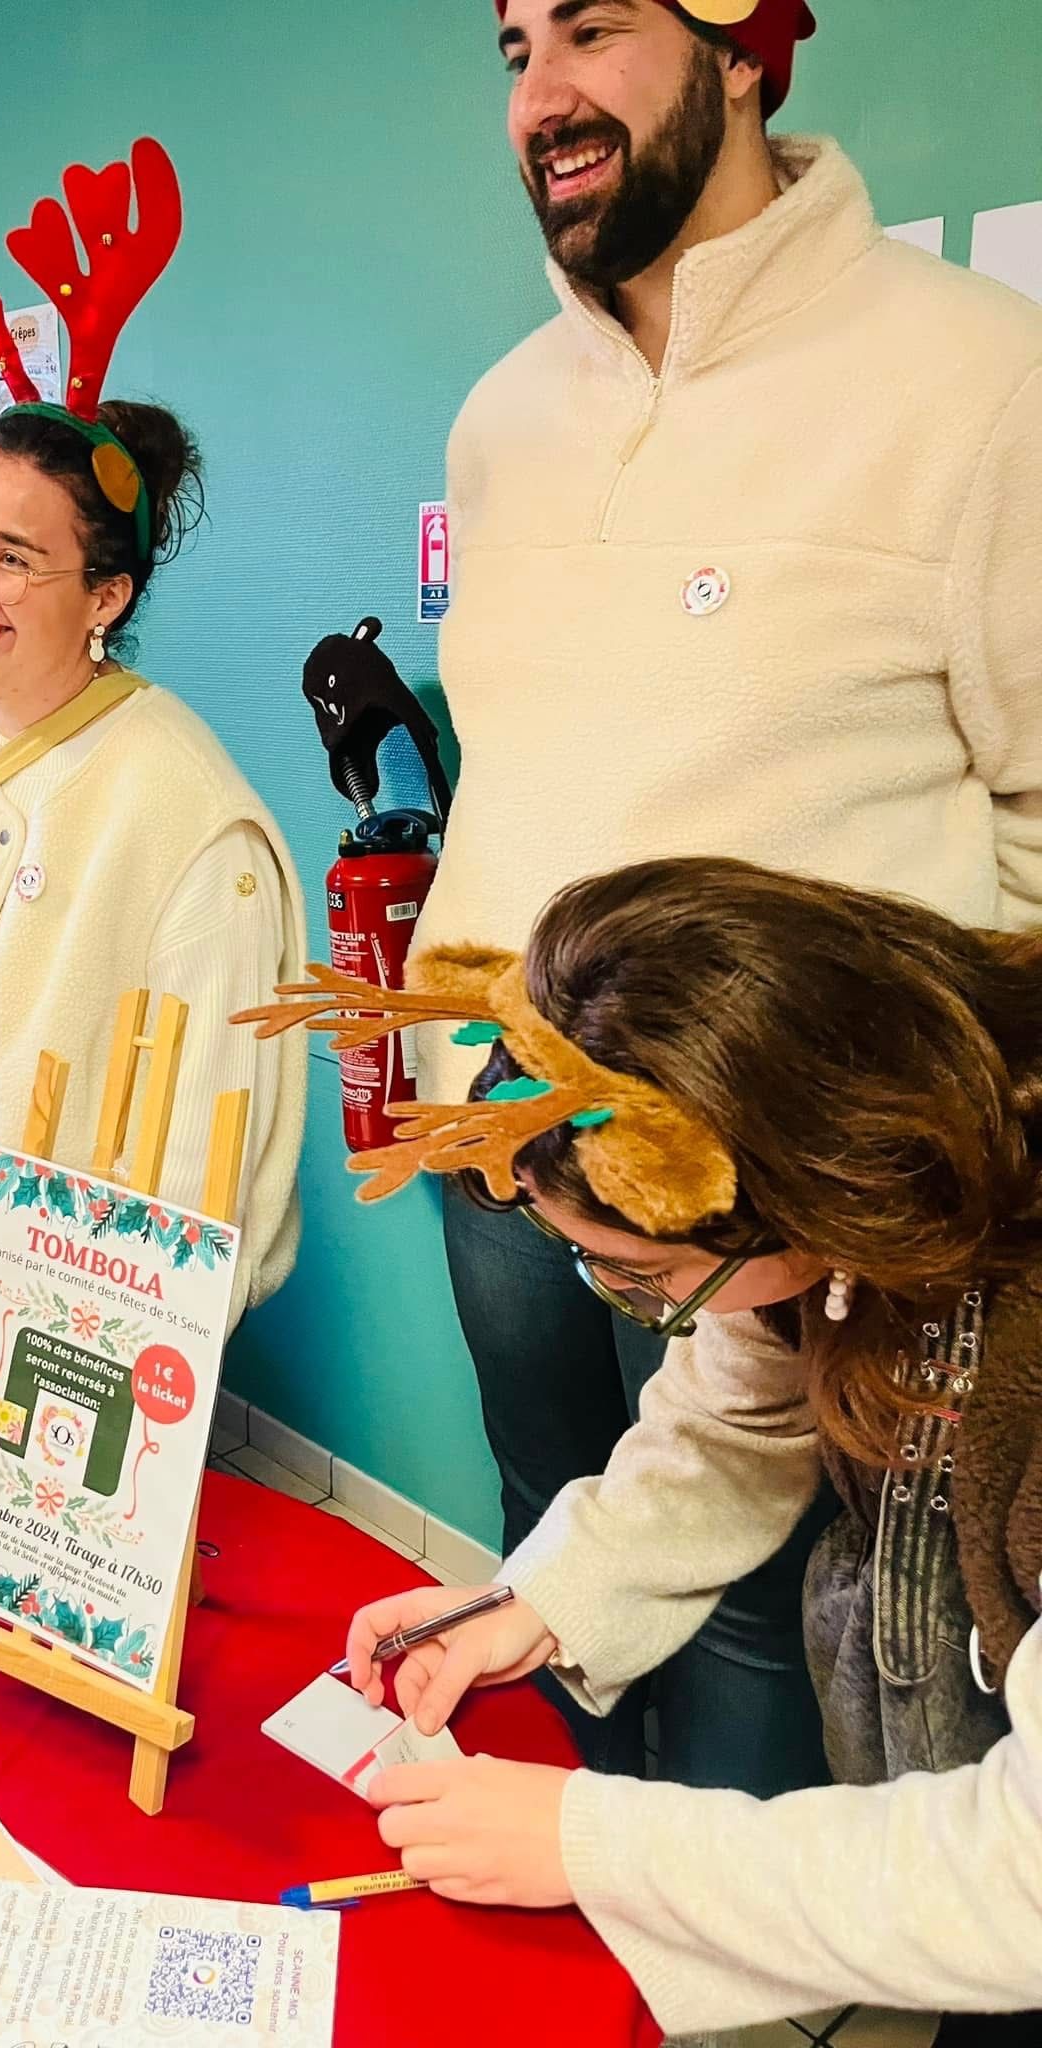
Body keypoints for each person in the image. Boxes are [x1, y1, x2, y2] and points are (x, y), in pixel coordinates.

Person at [419, 0, 1042, 1794]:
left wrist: (903, 1118)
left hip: (795, 1201)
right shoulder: (499, 419)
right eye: (515, 48)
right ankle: (555, 1871)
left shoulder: (982, 379)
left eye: (594, 30)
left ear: (746, 50)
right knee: (554, 1548)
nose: (541, 95)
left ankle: (712, 1921)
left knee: (770, 1617)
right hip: (507, 1153)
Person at [264, 858, 1042, 2041]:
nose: (656, 1312)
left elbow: (1017, 1875)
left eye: (654, 1276)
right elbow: (733, 1417)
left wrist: (598, 1845)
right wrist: (538, 1598)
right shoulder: (860, 1204)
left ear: (803, 1191)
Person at [0, 405, 307, 1428]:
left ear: (106, 594)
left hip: (77, 1348)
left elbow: (204, 1157)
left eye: (14, 558)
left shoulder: (185, 819)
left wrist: (97, 1384)